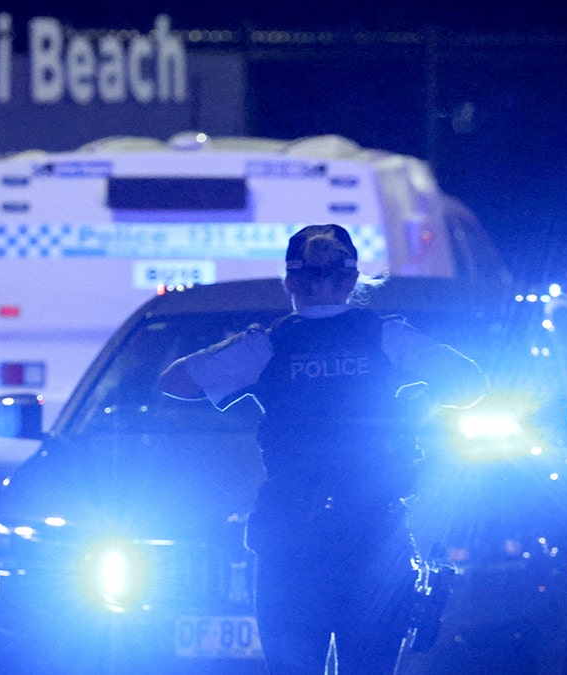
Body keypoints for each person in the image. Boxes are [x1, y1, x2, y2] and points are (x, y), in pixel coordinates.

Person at [158, 224, 487, 674]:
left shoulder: (269, 345)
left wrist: (243, 344)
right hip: (372, 536)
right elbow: (472, 382)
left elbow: (174, 381)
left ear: (289, 282)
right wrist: (414, 404)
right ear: (352, 282)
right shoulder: (386, 337)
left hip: (292, 540)